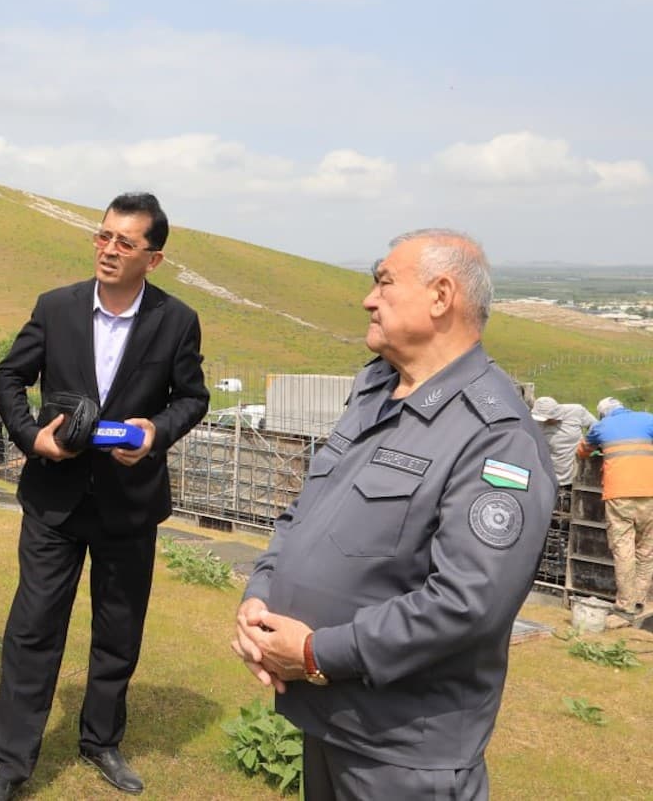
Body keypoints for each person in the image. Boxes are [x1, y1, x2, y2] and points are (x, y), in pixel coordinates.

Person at [231, 229, 554, 801]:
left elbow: (466, 604)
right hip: (328, 720)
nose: (368, 299)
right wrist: (260, 595)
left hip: (404, 751)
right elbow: (303, 514)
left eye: (383, 283)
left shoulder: (494, 434)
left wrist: (314, 653)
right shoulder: (375, 392)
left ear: (441, 296)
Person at [0, 192, 209, 800]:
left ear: (152, 259)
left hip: (131, 503)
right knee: (33, 628)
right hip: (55, 498)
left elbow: (192, 397)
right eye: (102, 236)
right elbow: (9, 377)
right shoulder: (56, 308)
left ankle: (101, 740)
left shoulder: (177, 320)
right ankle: (8, 764)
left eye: (124, 242)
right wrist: (32, 439)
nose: (108, 250)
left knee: (118, 629)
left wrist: (157, 432)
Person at [578, 397, 653, 622]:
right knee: (647, 549)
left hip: (619, 495)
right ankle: (641, 600)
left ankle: (625, 604)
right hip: (650, 492)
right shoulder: (648, 419)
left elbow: (582, 451)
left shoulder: (601, 427)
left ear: (603, 414)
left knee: (624, 548)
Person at [529, 396, 595, 509]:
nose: (545, 422)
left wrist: (587, 445)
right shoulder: (535, 423)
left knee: (573, 507)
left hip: (574, 472)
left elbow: (596, 427)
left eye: (548, 419)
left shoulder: (576, 412)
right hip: (549, 474)